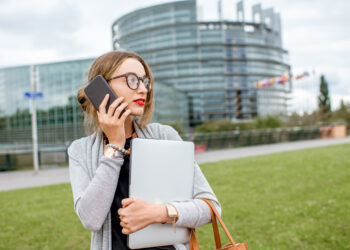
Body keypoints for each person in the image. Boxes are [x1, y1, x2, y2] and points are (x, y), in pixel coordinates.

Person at [68, 50, 221, 250]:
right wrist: (115, 146)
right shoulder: (80, 150)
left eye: (144, 81)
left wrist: (158, 213)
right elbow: (91, 219)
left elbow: (211, 208)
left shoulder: (165, 136)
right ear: (103, 88)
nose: (142, 89)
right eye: (132, 80)